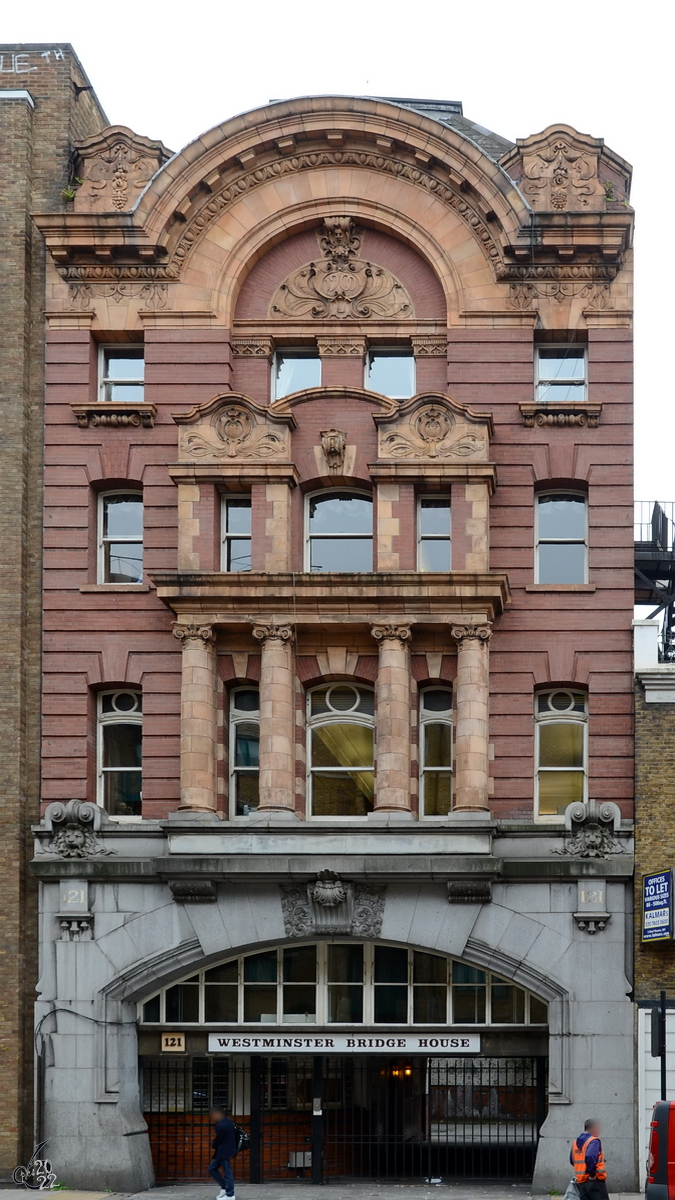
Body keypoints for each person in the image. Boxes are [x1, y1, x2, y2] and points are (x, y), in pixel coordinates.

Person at [570, 1118, 608, 1200]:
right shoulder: (593, 1141)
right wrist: (592, 1174)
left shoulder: (575, 1142)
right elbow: (590, 1156)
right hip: (594, 1180)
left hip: (581, 1180)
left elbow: (572, 1160)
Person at [208, 1104, 237, 1200]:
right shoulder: (228, 1121)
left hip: (223, 1151)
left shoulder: (222, 1124)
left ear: (218, 1113)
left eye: (213, 1114)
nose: (212, 1117)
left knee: (227, 1172)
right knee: (212, 1168)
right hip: (225, 1151)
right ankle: (225, 1188)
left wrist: (214, 1145)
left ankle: (230, 1194)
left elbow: (218, 1139)